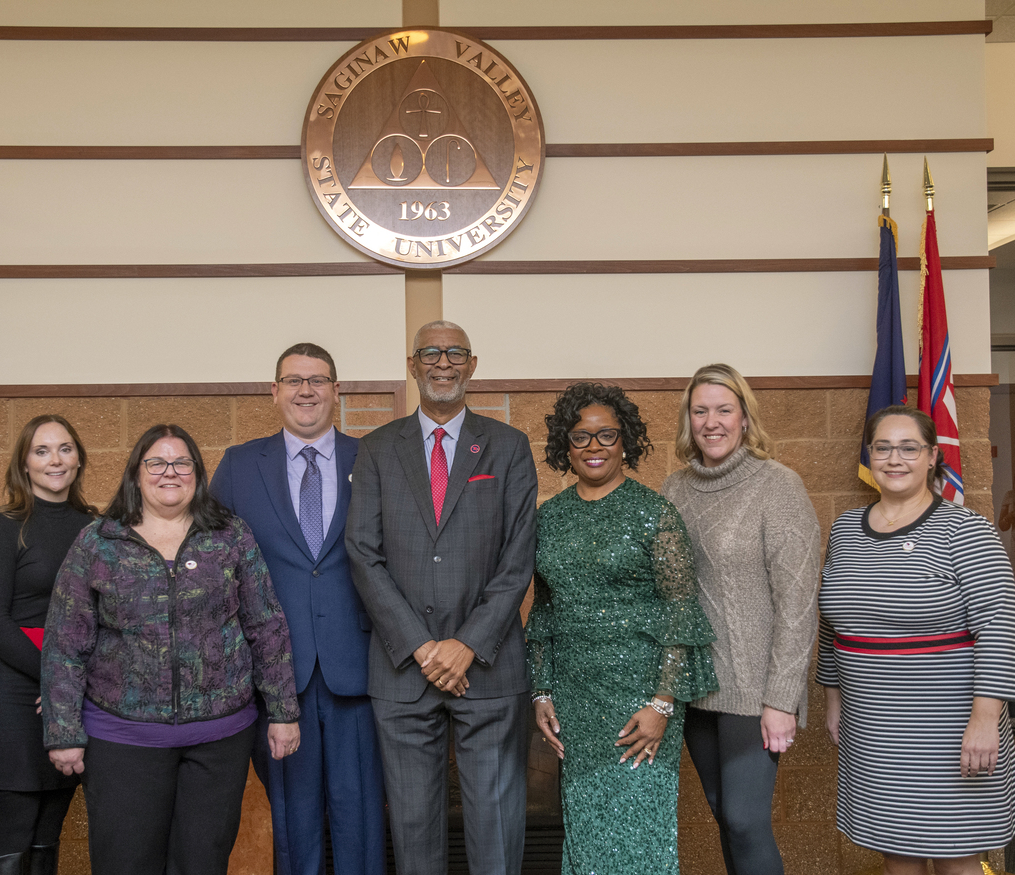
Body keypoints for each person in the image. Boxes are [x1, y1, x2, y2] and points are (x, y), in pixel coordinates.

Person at [40, 424, 300, 875]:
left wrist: (283, 712)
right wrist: (62, 734)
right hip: (122, 740)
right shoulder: (99, 542)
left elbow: (266, 625)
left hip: (219, 740)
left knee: (203, 863)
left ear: (197, 473)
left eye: (182, 463)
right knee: (126, 863)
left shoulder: (230, 536)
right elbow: (65, 643)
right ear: (136, 474)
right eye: (156, 463)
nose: (170, 473)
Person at [346, 320, 538, 875]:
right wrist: (423, 648)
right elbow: (362, 552)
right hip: (404, 670)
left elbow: (517, 558)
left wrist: (466, 644)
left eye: (455, 353)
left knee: (496, 830)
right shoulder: (379, 448)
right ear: (413, 365)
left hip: (489, 668)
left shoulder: (507, 447)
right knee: (412, 830)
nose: (443, 362)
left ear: (473, 365)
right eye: (431, 352)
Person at [527, 382, 717, 875]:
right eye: (580, 437)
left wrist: (661, 704)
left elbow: (682, 614)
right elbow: (544, 611)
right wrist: (541, 690)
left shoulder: (656, 514)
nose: (593, 447)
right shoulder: (547, 518)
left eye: (606, 435)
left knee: (639, 838)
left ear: (626, 441)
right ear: (563, 446)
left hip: (640, 705)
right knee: (588, 841)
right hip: (576, 702)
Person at [211, 343, 385, 875]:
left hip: (358, 668)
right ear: (274, 391)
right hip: (275, 677)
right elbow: (214, 561)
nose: (305, 390)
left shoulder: (374, 458)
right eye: (293, 380)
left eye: (317, 380)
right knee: (292, 821)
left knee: (362, 819)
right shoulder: (240, 465)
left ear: (337, 390)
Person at [819, 405, 1015, 875]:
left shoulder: (966, 530)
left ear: (931, 457)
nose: (894, 458)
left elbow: (1000, 624)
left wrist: (986, 718)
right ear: (870, 455)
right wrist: (833, 698)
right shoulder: (846, 529)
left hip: (950, 727)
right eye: (883, 447)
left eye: (909, 448)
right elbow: (831, 622)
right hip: (873, 725)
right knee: (897, 852)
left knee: (955, 854)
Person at [660, 363, 820, 875]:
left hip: (755, 690)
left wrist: (781, 698)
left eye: (724, 409)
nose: (712, 421)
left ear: (745, 418)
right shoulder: (674, 488)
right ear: (689, 419)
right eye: (700, 410)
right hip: (695, 685)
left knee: (746, 820)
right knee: (725, 818)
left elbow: (798, 602)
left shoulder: (778, 485)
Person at [0, 415, 98, 875]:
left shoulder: (97, 528)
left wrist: (70, 687)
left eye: (64, 448)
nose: (55, 460)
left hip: (72, 692)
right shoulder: (2, 526)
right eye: (41, 451)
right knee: (15, 829)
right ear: (24, 463)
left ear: (79, 457)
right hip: (13, 689)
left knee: (50, 831)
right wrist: (58, 679)